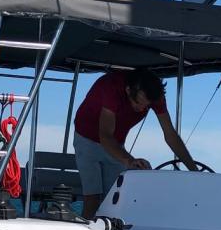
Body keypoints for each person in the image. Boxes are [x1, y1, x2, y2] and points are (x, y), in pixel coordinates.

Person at [71, 67, 198, 219]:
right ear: (128, 90)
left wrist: (194, 171)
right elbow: (105, 136)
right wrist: (130, 161)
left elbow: (170, 135)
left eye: (146, 106)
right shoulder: (111, 87)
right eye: (138, 103)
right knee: (93, 200)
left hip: (116, 144)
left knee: (115, 200)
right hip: (87, 138)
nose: (141, 109)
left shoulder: (154, 95)